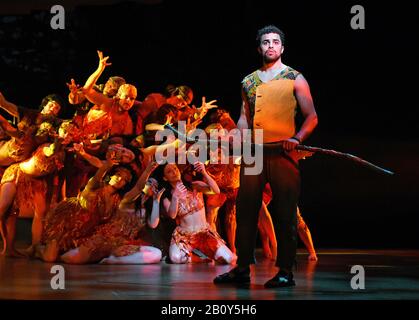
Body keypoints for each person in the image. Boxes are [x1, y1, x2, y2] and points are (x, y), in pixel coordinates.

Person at [214, 25, 318, 288]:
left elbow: (311, 117)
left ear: (282, 48)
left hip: (284, 154)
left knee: (285, 213)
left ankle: (285, 270)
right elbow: (244, 117)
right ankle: (242, 268)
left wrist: (296, 139)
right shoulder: (248, 81)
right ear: (259, 48)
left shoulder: (295, 78)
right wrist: (237, 135)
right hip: (254, 154)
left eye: (275, 42)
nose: (270, 45)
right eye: (265, 42)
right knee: (246, 211)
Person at [161, 162, 236, 264]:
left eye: (175, 168)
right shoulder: (168, 197)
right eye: (169, 171)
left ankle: (203, 252)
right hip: (185, 236)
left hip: (204, 233)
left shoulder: (194, 186)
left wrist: (204, 173)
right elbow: (172, 215)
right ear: (165, 178)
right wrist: (175, 197)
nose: (174, 172)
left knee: (229, 259)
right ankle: (199, 257)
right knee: (175, 258)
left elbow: (216, 190)